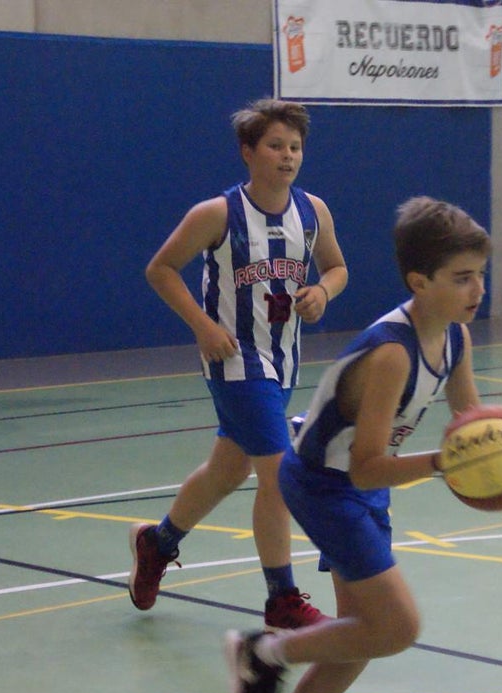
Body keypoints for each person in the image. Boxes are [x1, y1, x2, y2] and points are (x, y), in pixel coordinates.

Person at [223, 197, 502, 693]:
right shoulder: (391, 355)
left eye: (480, 275)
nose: (477, 289)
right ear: (419, 281)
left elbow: (479, 435)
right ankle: (265, 652)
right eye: (462, 278)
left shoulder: (455, 338)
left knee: (365, 635)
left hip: (359, 487)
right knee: (398, 627)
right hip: (323, 485)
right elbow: (367, 466)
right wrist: (442, 463)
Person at [128, 99, 348, 631]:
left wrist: (322, 290)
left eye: (295, 147)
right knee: (280, 478)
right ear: (249, 152)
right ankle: (282, 599)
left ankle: (158, 544)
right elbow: (160, 270)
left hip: (283, 360)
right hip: (235, 361)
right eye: (276, 146)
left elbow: (338, 268)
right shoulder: (217, 214)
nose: (288, 156)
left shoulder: (313, 211)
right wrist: (203, 326)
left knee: (227, 472)